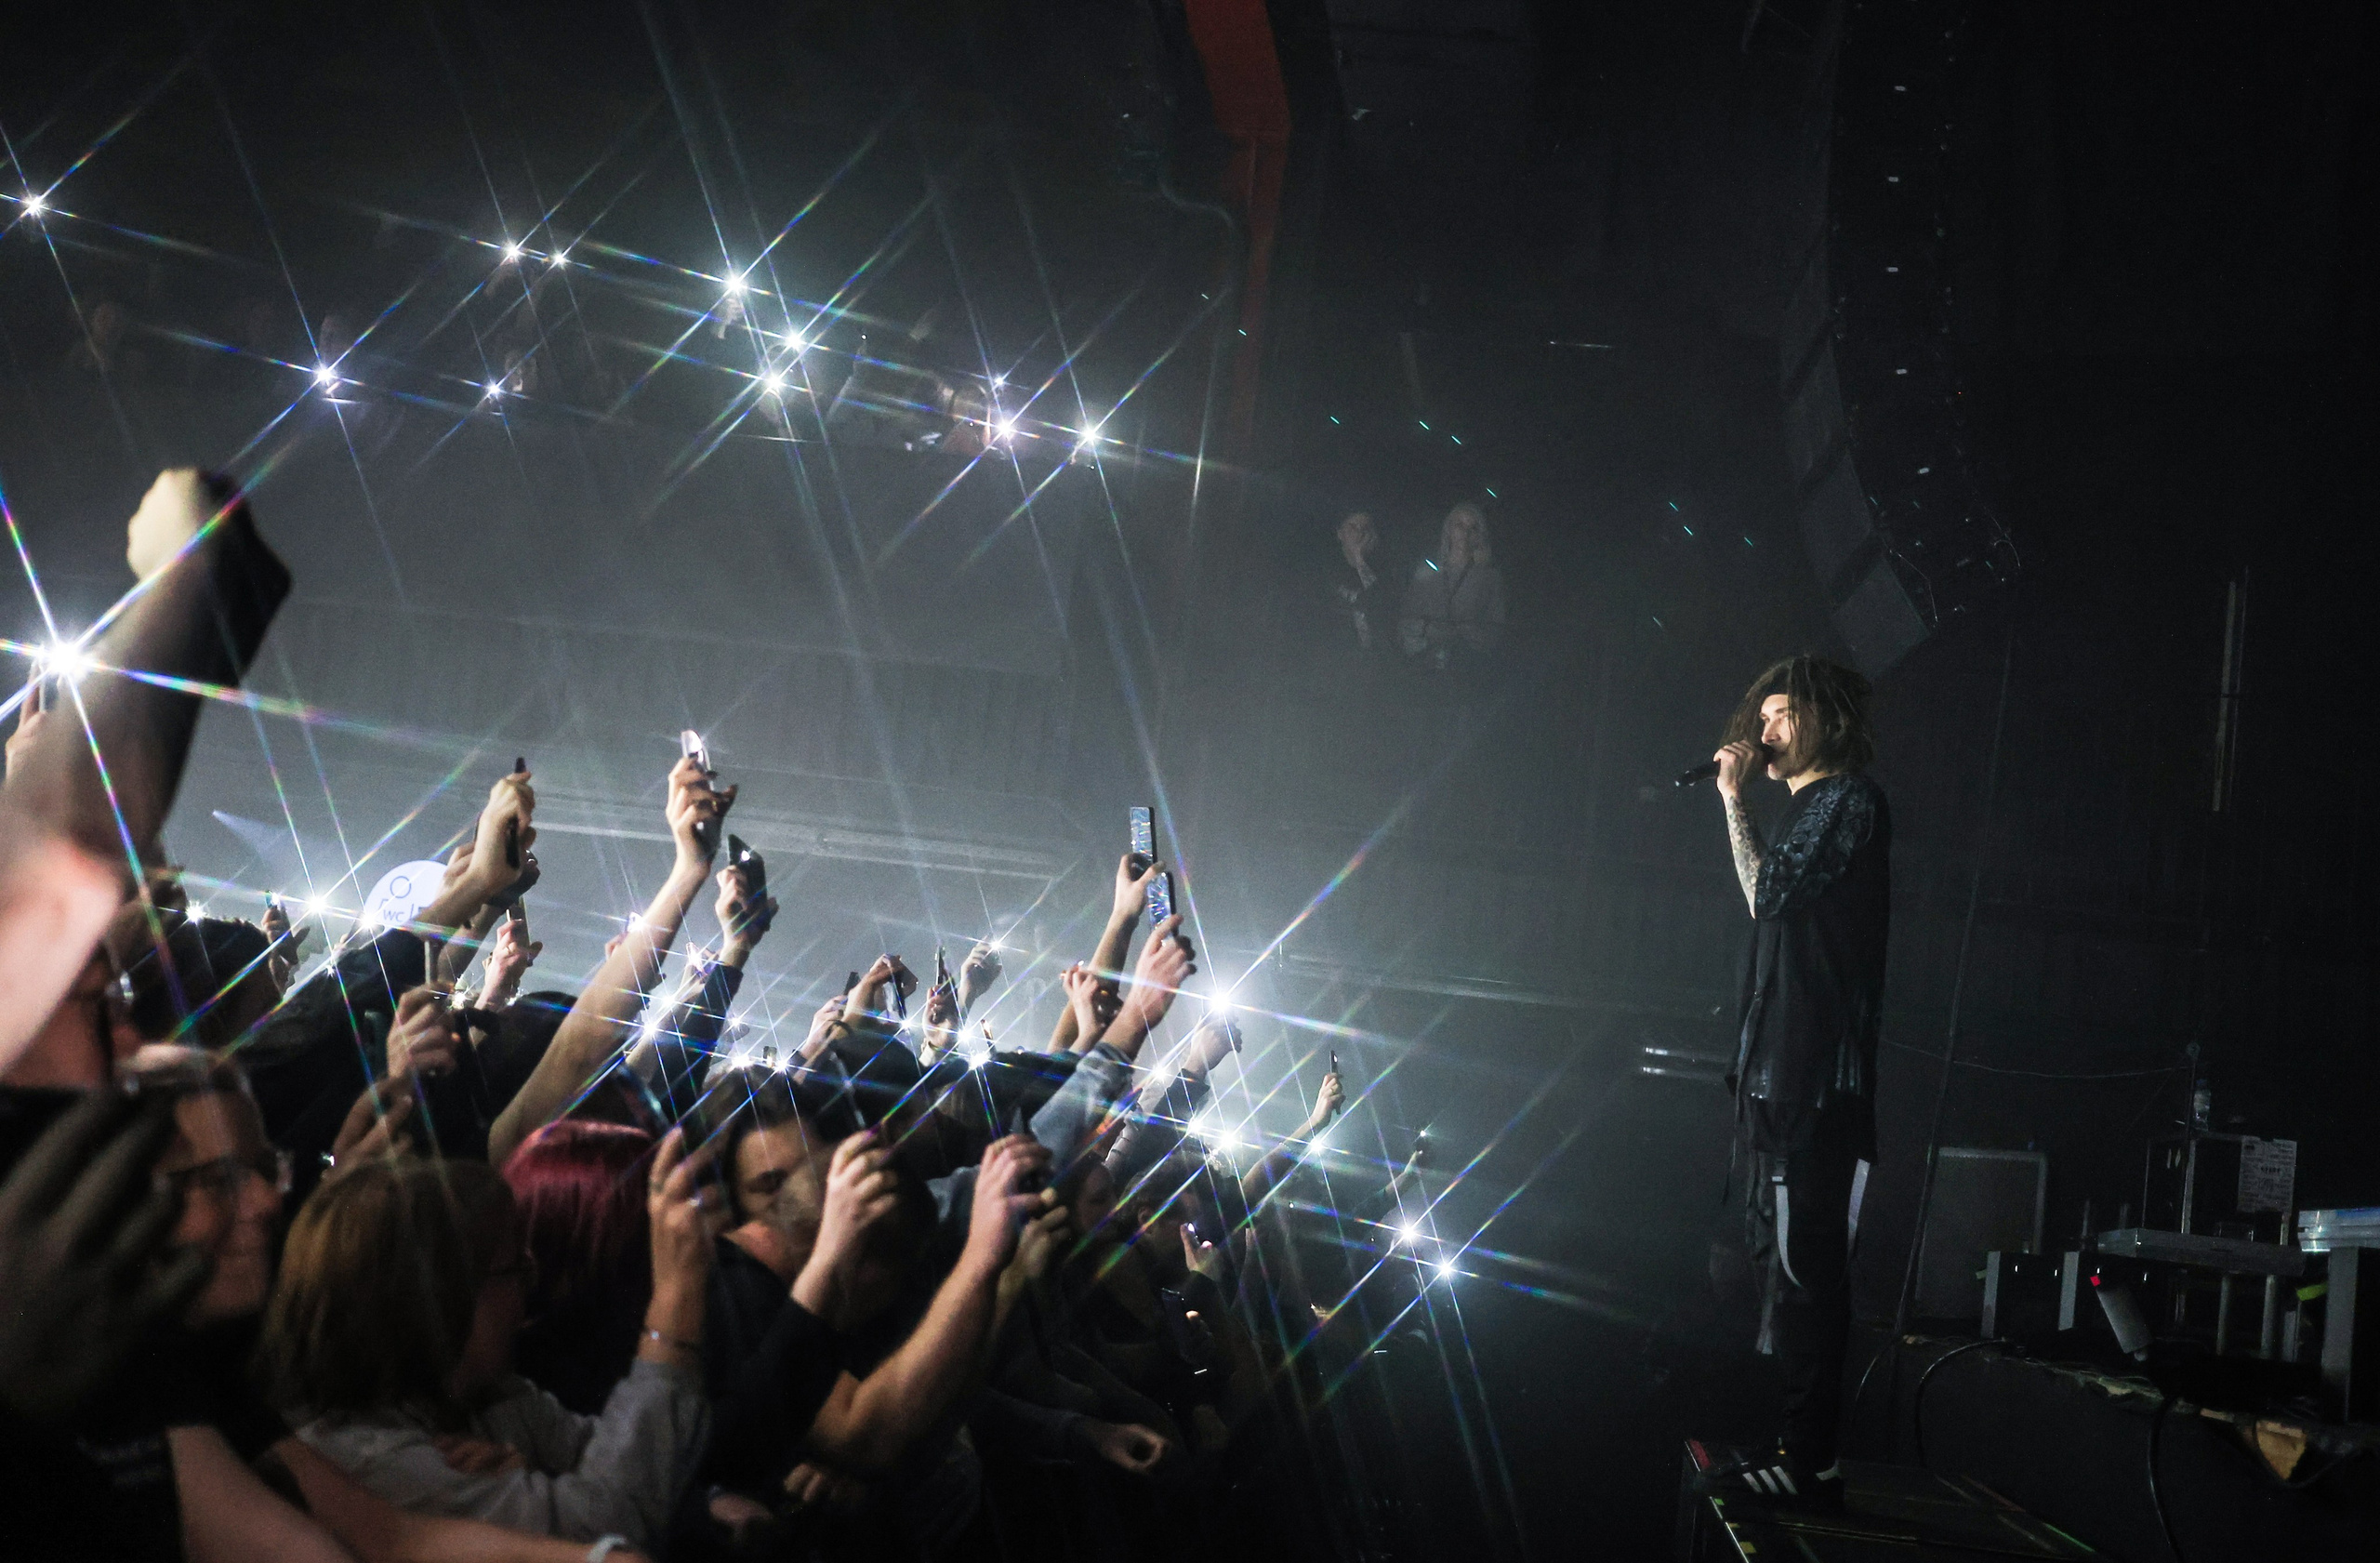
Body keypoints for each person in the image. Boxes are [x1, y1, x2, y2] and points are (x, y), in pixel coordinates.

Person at [1696, 654, 1890, 1512]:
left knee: (1808, 1275)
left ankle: (1812, 1460)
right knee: (1770, 1272)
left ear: (1821, 719)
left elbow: (1769, 888)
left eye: (1780, 715)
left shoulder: (1849, 801)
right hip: (1779, 1084)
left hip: (1817, 1087)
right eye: (1763, 716)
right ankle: (1794, 1447)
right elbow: (1766, 900)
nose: (1765, 730)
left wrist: (1735, 800)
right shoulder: (1815, 812)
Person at [1397, 502, 1507, 668]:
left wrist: (1465, 633)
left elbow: (1496, 627)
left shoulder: (1489, 577)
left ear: (1480, 534)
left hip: (1467, 665)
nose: (1465, 532)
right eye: (1460, 525)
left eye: (1473, 527)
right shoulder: (1427, 570)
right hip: (1425, 663)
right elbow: (1406, 616)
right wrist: (1427, 630)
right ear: (1448, 529)